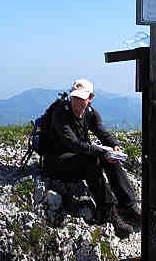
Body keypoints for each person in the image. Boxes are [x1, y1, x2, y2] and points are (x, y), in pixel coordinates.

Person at [43, 78, 141, 238]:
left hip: (75, 158)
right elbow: (73, 144)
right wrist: (102, 151)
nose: (78, 103)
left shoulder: (89, 113)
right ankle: (109, 213)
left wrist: (114, 146)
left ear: (90, 98)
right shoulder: (60, 113)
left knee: (110, 157)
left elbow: (102, 132)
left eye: (82, 99)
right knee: (92, 159)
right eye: (75, 98)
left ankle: (128, 205)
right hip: (56, 162)